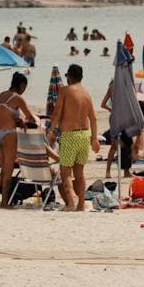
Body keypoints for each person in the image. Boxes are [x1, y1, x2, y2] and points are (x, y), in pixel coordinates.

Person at [51, 63, 99, 211]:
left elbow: (57, 112)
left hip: (70, 135)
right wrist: (94, 139)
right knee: (80, 173)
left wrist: (51, 131)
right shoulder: (86, 93)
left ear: (69, 77)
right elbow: (93, 118)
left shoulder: (65, 91)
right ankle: (80, 205)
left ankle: (71, 203)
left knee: (65, 172)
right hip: (85, 135)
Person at [0, 72, 39, 208]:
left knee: (4, 169)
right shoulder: (17, 98)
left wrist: (17, 120)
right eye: (25, 87)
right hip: (8, 134)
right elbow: (30, 117)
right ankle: (4, 202)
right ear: (22, 85)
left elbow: (5, 114)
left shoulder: (1, 95)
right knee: (9, 170)